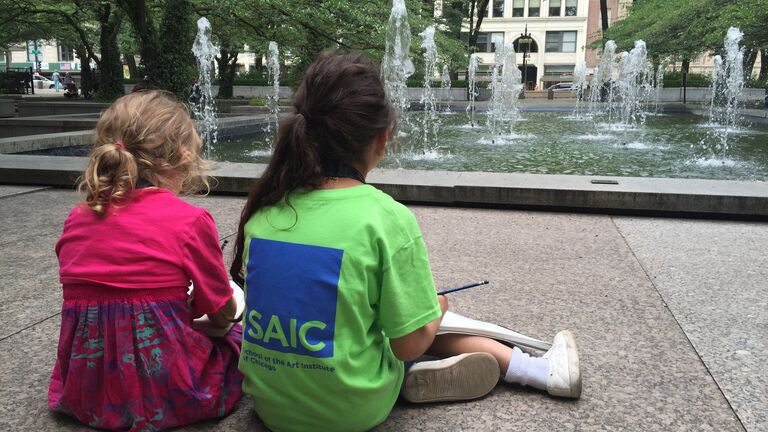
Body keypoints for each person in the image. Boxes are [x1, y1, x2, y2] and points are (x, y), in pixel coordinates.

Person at [230, 51, 582, 432]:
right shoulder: (385, 218)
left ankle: (429, 371)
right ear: (382, 139)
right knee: (426, 321)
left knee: (375, 317)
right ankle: (537, 370)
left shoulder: (267, 208)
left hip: (272, 408)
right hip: (352, 410)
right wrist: (436, 308)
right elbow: (408, 343)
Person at [49, 91, 243, 431]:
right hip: (167, 384)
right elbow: (219, 311)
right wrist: (231, 308)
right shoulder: (188, 220)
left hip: (90, 384)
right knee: (239, 339)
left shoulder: (78, 217)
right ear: (184, 155)